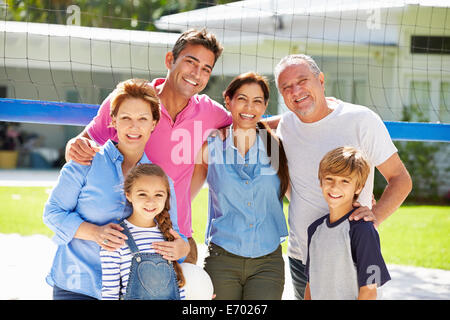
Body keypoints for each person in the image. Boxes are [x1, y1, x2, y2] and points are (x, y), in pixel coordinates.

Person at [65, 29, 232, 264]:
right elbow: (80, 146)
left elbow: (250, 125)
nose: (197, 73)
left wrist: (231, 133)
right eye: (190, 62)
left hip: (179, 237)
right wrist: (74, 145)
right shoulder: (131, 100)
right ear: (169, 60)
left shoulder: (209, 111)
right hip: (131, 236)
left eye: (206, 69)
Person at [275, 54, 412, 300]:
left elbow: (401, 179)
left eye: (303, 80)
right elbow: (256, 125)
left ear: (321, 80)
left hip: (350, 258)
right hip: (302, 257)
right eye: (286, 87)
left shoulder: (361, 120)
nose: (296, 91)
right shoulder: (286, 125)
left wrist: (373, 220)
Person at [43, 79, 189, 300]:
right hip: (77, 284)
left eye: (142, 119)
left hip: (132, 291)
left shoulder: (161, 180)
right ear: (113, 121)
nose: (134, 126)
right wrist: (95, 233)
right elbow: (52, 213)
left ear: (153, 123)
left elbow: (175, 234)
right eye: (126, 118)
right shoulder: (86, 161)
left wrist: (181, 249)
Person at [190, 72, 290, 300]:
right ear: (228, 101)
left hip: (268, 262)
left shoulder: (277, 147)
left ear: (265, 105)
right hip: (222, 258)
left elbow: (299, 196)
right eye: (242, 98)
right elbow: (186, 195)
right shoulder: (211, 146)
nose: (249, 107)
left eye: (257, 101)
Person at [304, 146, 391, 300]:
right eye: (329, 179)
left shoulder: (364, 230)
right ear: (321, 182)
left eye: (345, 181)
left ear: (358, 187)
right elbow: (311, 284)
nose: (335, 187)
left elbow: (370, 291)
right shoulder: (314, 230)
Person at [101, 163, 186, 300]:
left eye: (158, 194)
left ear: (166, 197)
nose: (150, 202)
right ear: (128, 195)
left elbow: (177, 288)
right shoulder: (117, 238)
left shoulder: (169, 236)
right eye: (142, 194)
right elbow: (109, 292)